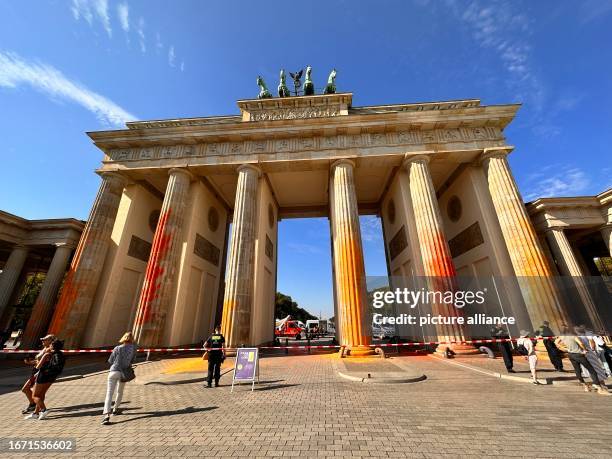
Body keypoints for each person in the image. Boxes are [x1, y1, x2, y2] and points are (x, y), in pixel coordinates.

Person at [556, 326, 610, 395]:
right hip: (585, 353)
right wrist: (587, 350)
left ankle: (587, 386)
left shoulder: (564, 336)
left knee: (579, 370)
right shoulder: (577, 335)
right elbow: (585, 343)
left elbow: (556, 342)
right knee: (595, 369)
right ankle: (600, 387)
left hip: (574, 354)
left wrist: (565, 349)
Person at [102, 332, 137, 425]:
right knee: (120, 391)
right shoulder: (133, 349)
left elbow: (110, 360)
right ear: (132, 339)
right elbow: (133, 360)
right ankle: (115, 409)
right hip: (124, 372)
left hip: (113, 371)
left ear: (123, 338)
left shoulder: (117, 348)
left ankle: (106, 416)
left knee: (109, 394)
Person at [25, 340, 65, 420]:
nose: (49, 346)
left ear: (53, 346)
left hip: (43, 376)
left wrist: (38, 361)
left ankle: (43, 410)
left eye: (50, 345)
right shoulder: (60, 354)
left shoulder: (47, 354)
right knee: (41, 394)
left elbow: (38, 367)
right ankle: (36, 413)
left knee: (35, 396)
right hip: (52, 377)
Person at [21, 334, 55, 415]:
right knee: (33, 391)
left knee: (26, 389)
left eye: (45, 339)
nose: (42, 341)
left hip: (39, 372)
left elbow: (44, 363)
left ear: (51, 341)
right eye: (42, 339)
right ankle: (35, 407)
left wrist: (38, 371)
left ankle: (39, 408)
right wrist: (30, 362)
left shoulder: (49, 350)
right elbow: (38, 361)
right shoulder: (44, 348)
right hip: (35, 370)